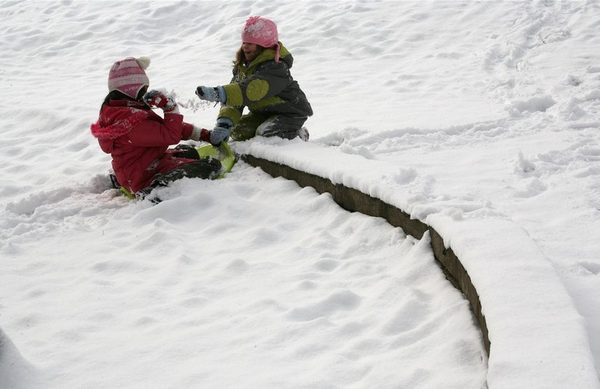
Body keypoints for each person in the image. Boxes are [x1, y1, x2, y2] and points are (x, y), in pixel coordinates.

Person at [90, 56, 224, 200]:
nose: (146, 91)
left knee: (189, 151)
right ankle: (154, 191)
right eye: (144, 88)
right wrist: (170, 108)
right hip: (143, 177)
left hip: (143, 166)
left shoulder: (123, 111)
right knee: (210, 166)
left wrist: (203, 135)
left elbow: (159, 128)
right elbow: (169, 134)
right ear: (134, 89)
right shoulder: (130, 122)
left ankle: (134, 180)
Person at [195, 16, 313, 142]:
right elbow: (234, 100)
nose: (245, 46)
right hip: (263, 112)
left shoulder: (276, 68)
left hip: (290, 113)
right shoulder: (244, 67)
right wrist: (224, 124)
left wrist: (219, 93)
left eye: (250, 43)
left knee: (265, 133)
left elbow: (250, 90)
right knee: (238, 131)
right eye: (244, 42)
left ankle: (298, 135)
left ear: (264, 46)